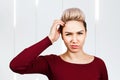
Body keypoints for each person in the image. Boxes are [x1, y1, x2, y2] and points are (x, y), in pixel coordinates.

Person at [10, 8, 108, 80]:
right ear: (61, 35)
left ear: (86, 33)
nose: (74, 40)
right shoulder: (51, 62)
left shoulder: (98, 64)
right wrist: (49, 39)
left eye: (79, 33)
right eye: (68, 34)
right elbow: (16, 65)